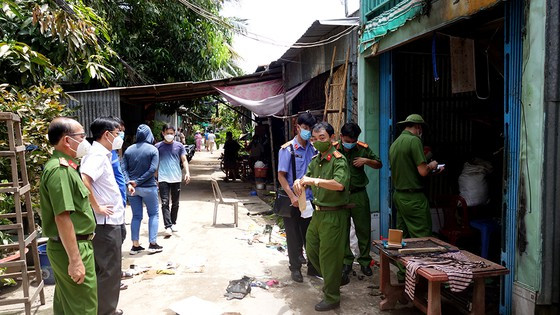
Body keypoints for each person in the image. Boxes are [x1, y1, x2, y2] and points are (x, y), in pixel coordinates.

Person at [40, 117, 97, 314]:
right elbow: (62, 217)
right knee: (83, 307)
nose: (85, 141)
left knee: (67, 305)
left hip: (69, 245)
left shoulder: (67, 166)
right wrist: (75, 260)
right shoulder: (60, 170)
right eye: (81, 136)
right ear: (67, 140)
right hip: (72, 247)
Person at [293, 122, 350, 312]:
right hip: (317, 214)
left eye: (322, 138)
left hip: (334, 215)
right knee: (311, 249)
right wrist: (299, 183)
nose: (317, 142)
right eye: (314, 139)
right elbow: (306, 179)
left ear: (332, 138)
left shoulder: (338, 160)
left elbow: (339, 184)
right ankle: (336, 276)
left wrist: (314, 180)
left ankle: (332, 296)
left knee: (328, 257)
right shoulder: (316, 161)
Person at [80, 118, 125, 315]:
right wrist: (96, 206)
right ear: (107, 134)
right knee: (109, 270)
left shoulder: (102, 154)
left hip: (110, 221)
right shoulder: (97, 155)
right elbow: (84, 179)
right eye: (117, 133)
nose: (119, 137)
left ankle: (103, 308)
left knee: (108, 269)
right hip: (106, 223)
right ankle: (105, 311)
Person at [335, 122, 382, 280]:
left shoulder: (362, 148)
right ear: (341, 137)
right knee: (343, 229)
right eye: (348, 139)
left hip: (359, 194)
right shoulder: (334, 148)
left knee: (363, 229)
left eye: (354, 139)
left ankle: (364, 261)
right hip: (341, 195)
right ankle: (346, 260)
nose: (351, 143)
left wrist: (365, 160)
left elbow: (379, 164)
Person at [277, 112, 318, 283]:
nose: (308, 132)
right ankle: (295, 268)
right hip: (293, 201)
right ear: (298, 127)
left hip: (310, 201)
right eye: (305, 128)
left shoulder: (314, 148)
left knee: (312, 236)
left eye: (310, 129)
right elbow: (281, 176)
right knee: (293, 237)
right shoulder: (288, 149)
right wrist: (292, 196)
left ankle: (312, 268)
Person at [389, 114, 444, 239]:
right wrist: (432, 165)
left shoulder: (395, 144)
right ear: (418, 127)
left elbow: (407, 170)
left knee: (401, 237)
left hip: (399, 196)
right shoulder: (414, 141)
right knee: (422, 238)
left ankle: (398, 259)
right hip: (414, 198)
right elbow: (423, 171)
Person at [122, 124, 163, 254]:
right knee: (153, 214)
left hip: (132, 190)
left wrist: (130, 183)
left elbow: (123, 168)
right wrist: (138, 181)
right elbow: (152, 169)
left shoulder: (128, 150)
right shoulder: (153, 150)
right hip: (148, 187)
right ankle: (152, 243)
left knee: (136, 216)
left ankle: (135, 245)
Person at [155, 124, 191, 237]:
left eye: (171, 133)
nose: (169, 135)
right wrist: (155, 176)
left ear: (174, 133)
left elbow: (184, 160)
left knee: (175, 202)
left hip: (176, 177)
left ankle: (173, 222)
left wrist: (187, 173)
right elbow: (154, 162)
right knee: (165, 202)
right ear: (163, 133)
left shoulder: (179, 146)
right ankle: (167, 226)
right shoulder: (157, 147)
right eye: (167, 133)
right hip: (163, 178)